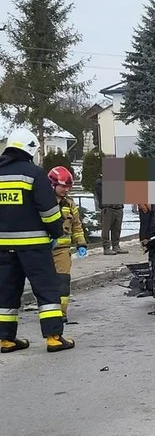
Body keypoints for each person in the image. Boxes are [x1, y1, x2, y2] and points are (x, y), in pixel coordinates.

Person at [0, 128, 75, 353]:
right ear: (30, 148)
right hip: (34, 245)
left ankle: (5, 339)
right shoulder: (34, 173)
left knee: (6, 291)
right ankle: (53, 337)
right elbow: (49, 211)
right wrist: (56, 232)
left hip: (3, 246)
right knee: (46, 288)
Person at [48, 166, 88, 324]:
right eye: (63, 186)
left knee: (63, 281)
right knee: (46, 283)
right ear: (52, 185)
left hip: (62, 250)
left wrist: (81, 243)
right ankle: (48, 311)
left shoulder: (70, 204)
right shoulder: (43, 202)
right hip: (43, 250)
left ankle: (61, 312)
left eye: (69, 187)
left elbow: (77, 226)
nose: (66, 190)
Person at [95, 172, 128, 255]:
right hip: (108, 207)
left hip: (118, 207)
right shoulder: (100, 182)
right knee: (106, 229)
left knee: (117, 229)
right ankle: (106, 247)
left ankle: (116, 245)